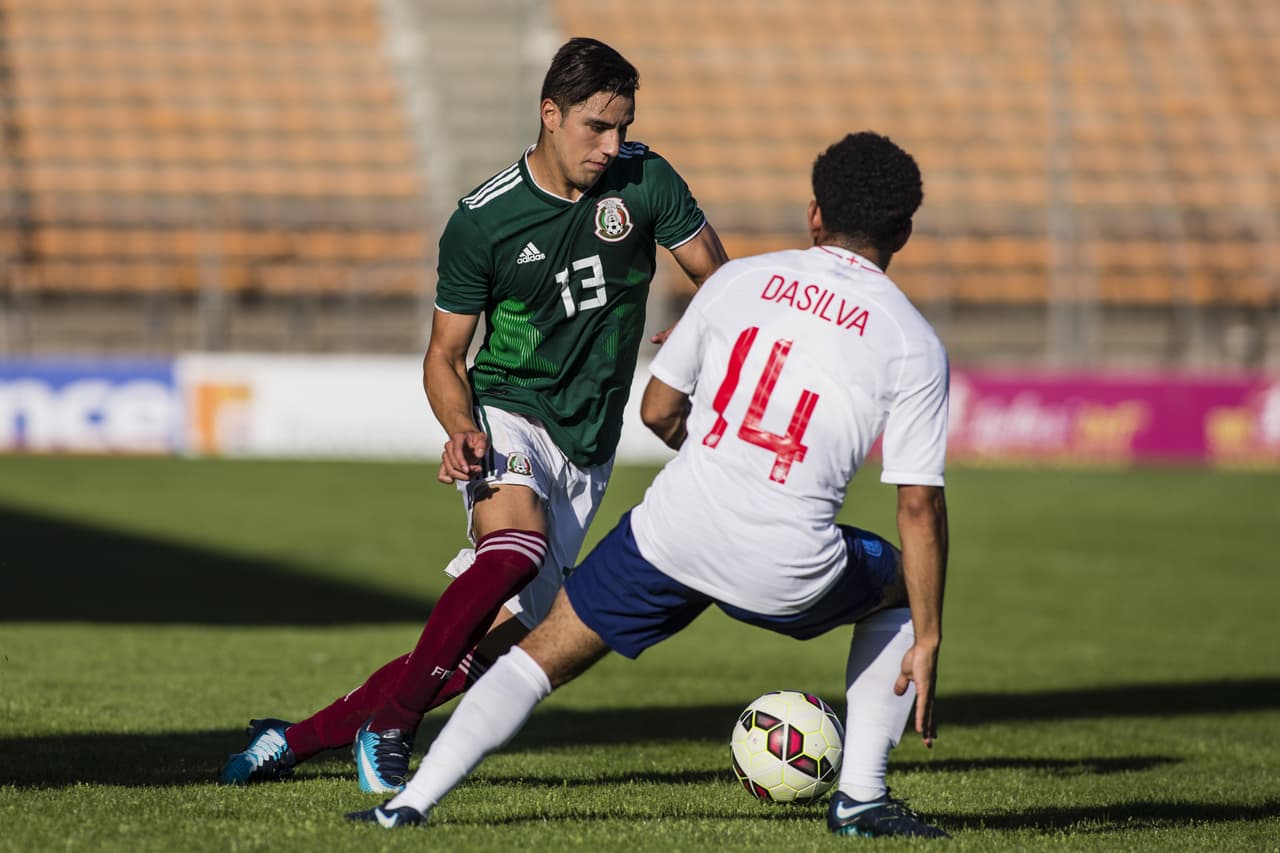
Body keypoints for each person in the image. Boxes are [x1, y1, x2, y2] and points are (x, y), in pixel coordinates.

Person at [345, 131, 952, 839]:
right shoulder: (912, 340)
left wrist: (719, 459)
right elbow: (919, 505)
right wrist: (930, 632)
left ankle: (408, 802)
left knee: (535, 660)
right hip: (788, 564)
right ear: (904, 231)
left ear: (814, 214)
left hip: (674, 530)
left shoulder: (738, 281)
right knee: (899, 588)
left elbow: (659, 409)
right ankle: (861, 797)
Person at [218, 36, 728, 792]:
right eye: (597, 126)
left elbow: (720, 280)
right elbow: (443, 356)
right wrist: (461, 426)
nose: (612, 143)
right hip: (509, 409)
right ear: (550, 115)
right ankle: (393, 730)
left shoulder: (645, 180)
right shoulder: (483, 223)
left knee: (486, 650)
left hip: (589, 443)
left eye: (622, 125)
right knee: (516, 547)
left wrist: (702, 323)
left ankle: (292, 739)